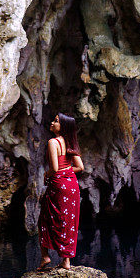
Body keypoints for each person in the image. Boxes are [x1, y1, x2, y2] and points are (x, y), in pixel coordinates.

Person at [37, 113, 84, 270]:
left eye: (56, 121)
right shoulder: (70, 142)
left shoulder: (53, 142)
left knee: (45, 218)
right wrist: (66, 170)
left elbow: (55, 168)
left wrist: (46, 174)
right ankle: (66, 261)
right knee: (68, 221)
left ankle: (45, 257)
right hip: (72, 186)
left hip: (58, 186)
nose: (52, 122)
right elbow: (80, 167)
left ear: (63, 126)